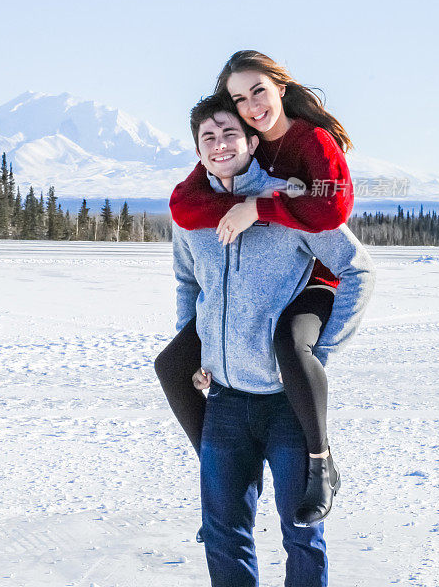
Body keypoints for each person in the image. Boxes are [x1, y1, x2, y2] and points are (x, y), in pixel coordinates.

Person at [168, 93, 375, 587]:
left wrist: (317, 354)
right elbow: (187, 283)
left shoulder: (288, 200)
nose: (220, 145)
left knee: (302, 532)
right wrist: (195, 351)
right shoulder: (191, 214)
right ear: (198, 150)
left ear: (253, 139)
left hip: (287, 405)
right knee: (223, 533)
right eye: (208, 138)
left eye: (229, 133)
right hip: (225, 401)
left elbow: (357, 270)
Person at [155, 49, 355, 527]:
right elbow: (188, 211)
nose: (250, 106)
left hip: (315, 280)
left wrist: (262, 204)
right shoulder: (247, 142)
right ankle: (222, 473)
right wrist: (218, 205)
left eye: (258, 92)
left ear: (281, 88)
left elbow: (332, 209)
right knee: (170, 365)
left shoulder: (310, 141)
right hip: (236, 291)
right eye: (239, 98)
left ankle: (320, 461)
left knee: (289, 344)